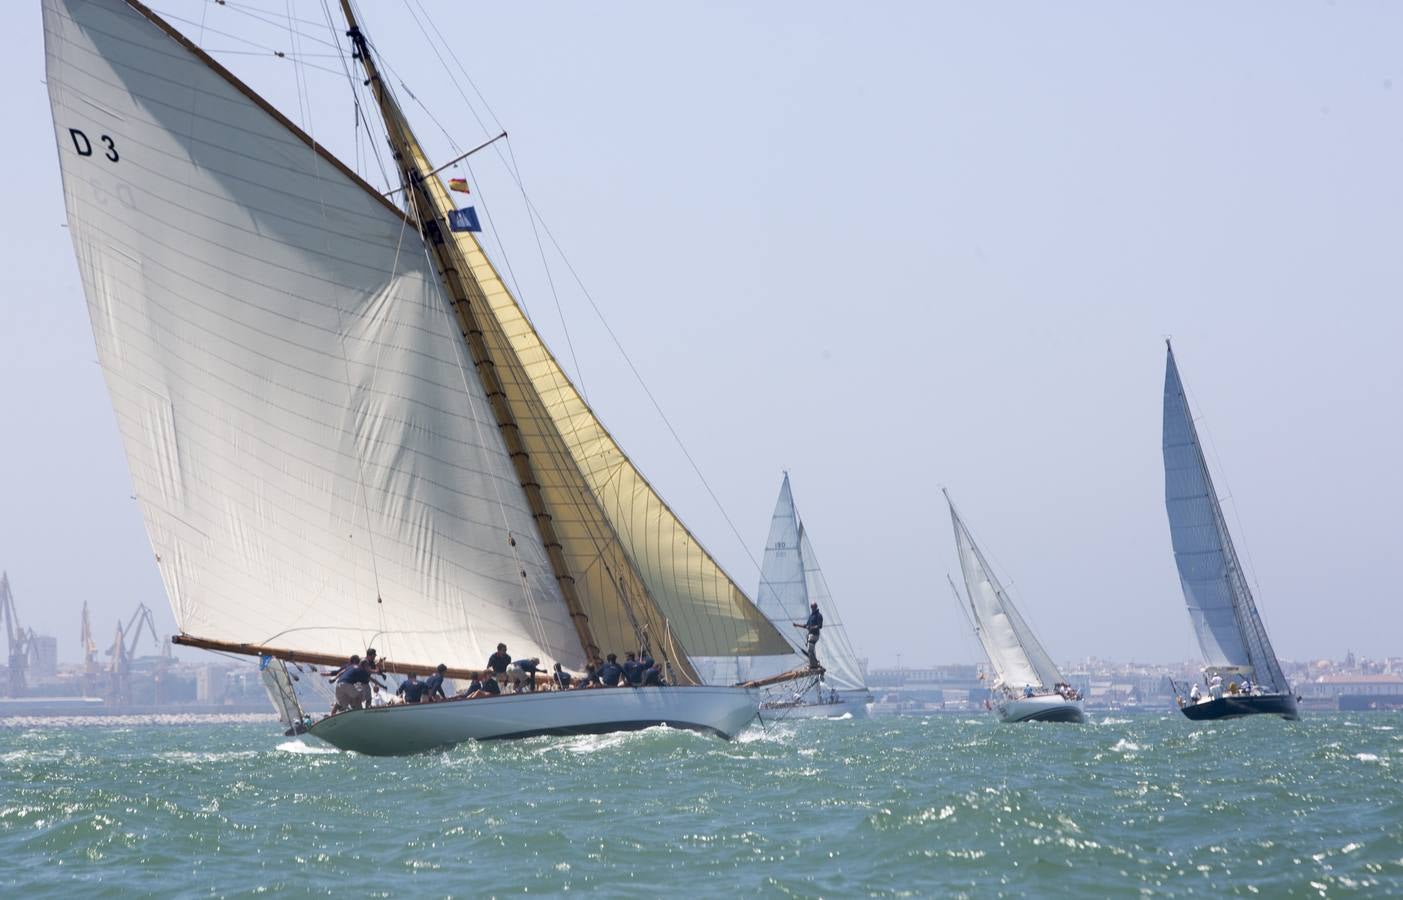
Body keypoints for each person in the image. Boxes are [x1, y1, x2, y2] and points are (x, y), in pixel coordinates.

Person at [793, 602, 823, 669]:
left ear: (816, 607)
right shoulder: (811, 616)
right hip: (810, 635)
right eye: (811, 607)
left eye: (813, 607)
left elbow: (820, 626)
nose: (812, 608)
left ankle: (814, 665)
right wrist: (797, 625)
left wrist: (813, 627)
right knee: (810, 649)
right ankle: (814, 663)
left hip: (815, 635)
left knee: (810, 649)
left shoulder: (819, 615)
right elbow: (806, 626)